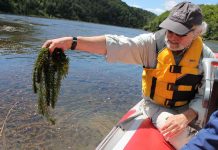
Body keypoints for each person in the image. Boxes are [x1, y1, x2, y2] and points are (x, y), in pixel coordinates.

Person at [42, 2, 215, 149]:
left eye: (181, 33)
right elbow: (116, 44)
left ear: (197, 33)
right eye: (170, 30)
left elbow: (204, 96)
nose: (173, 37)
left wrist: (187, 116)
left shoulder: (204, 56)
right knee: (182, 138)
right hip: (157, 107)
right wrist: (71, 42)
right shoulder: (151, 45)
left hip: (188, 108)